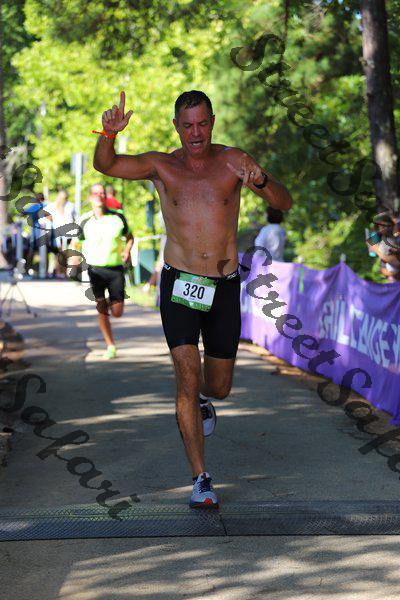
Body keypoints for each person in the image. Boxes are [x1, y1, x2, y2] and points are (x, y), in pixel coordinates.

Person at [93, 90, 292, 508]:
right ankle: (201, 478)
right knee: (185, 375)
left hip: (224, 286)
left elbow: (283, 201)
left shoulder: (234, 160)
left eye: (202, 124)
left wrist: (259, 180)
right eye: (187, 126)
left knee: (219, 386)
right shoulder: (161, 166)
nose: (196, 133)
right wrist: (109, 135)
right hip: (180, 283)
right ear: (176, 127)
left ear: (212, 122)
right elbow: (106, 165)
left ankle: (202, 399)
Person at [70, 183, 134, 359]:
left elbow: (130, 237)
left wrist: (127, 250)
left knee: (117, 312)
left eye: (102, 193)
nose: (99, 196)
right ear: (90, 197)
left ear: (106, 196)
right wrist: (74, 258)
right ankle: (110, 345)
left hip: (115, 269)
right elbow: (75, 243)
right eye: (96, 193)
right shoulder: (85, 220)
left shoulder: (118, 217)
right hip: (95, 269)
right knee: (101, 308)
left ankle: (109, 302)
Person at [46, 190, 76, 277]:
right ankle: (59, 272)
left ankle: (64, 272)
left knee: (65, 253)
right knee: (59, 253)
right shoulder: (53, 206)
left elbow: (75, 217)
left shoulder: (70, 206)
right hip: (57, 234)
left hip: (69, 234)